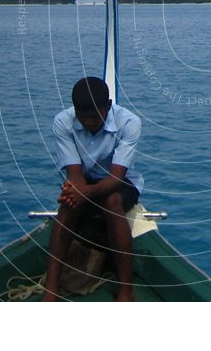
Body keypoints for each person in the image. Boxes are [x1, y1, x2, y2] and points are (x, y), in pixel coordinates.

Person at [42, 76, 143, 301]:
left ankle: (125, 289)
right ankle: (51, 289)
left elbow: (117, 178)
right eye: (82, 116)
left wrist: (84, 194)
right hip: (84, 179)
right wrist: (77, 192)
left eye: (94, 116)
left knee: (112, 201)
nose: (87, 122)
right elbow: (75, 174)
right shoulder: (62, 121)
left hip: (120, 181)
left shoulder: (129, 123)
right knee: (68, 205)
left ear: (107, 106)